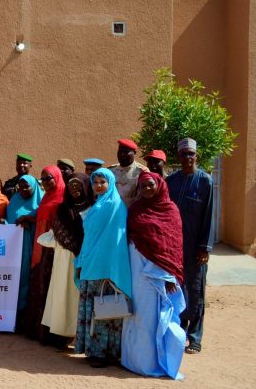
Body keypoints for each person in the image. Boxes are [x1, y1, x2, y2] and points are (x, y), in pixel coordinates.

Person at [122, 172, 186, 379]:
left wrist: (168, 277)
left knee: (158, 318)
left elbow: (172, 247)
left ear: (159, 185)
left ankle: (155, 362)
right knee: (139, 316)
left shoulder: (171, 210)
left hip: (160, 276)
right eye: (143, 186)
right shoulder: (135, 209)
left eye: (150, 185)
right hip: (137, 272)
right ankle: (135, 361)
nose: (147, 189)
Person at [74, 168, 132, 368]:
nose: (98, 185)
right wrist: (82, 261)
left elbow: (115, 240)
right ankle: (92, 350)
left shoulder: (116, 206)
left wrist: (110, 266)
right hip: (90, 263)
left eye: (102, 182)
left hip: (106, 269)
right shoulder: (98, 204)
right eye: (95, 182)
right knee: (93, 311)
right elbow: (90, 237)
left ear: (110, 183)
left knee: (105, 311)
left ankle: (105, 354)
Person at [166, 138, 214, 355]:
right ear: (178, 157)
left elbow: (209, 216)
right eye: (183, 154)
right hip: (174, 248)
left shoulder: (205, 181)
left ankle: (195, 337)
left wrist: (205, 247)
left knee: (196, 292)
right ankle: (179, 332)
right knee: (177, 289)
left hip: (196, 248)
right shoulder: (171, 181)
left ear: (197, 156)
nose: (187, 158)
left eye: (191, 154)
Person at [38, 173, 92, 348]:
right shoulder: (63, 209)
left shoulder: (93, 208)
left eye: (78, 185)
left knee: (79, 296)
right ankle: (61, 334)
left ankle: (79, 335)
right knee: (62, 294)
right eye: (71, 186)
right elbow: (57, 233)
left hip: (86, 258)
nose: (75, 189)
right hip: (64, 258)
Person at [25, 166, 66, 341]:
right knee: (39, 287)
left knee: (51, 289)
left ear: (57, 177)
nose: (46, 182)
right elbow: (43, 218)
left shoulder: (63, 198)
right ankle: (37, 330)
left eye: (49, 178)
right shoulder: (46, 197)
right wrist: (28, 218)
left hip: (53, 251)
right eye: (42, 179)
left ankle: (52, 335)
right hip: (40, 248)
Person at [5, 174, 43, 325]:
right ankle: (16, 314)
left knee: (32, 277)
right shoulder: (14, 200)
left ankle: (29, 315)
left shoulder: (41, 201)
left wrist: (29, 220)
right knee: (18, 277)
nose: (23, 190)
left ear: (34, 186)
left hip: (35, 245)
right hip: (17, 248)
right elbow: (9, 222)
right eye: (20, 187)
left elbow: (44, 220)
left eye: (27, 186)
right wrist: (17, 222)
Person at [109, 138, 147, 207]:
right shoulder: (111, 171)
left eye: (126, 152)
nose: (122, 154)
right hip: (112, 211)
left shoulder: (142, 172)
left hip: (132, 213)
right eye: (120, 152)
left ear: (134, 153)